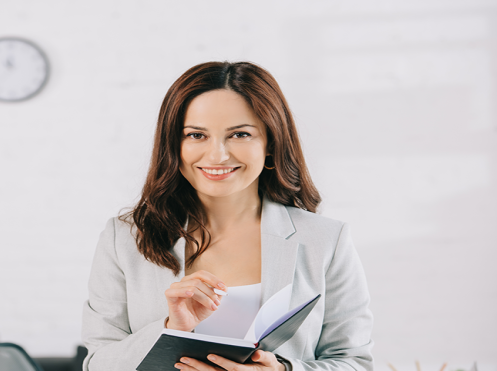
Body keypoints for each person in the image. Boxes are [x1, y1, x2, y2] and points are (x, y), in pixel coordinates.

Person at [82, 61, 374, 371]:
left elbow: (355, 363)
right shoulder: (125, 238)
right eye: (196, 135)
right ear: (173, 144)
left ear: (271, 143)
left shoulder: (326, 240)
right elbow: (98, 364)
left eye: (240, 134)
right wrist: (170, 328)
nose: (217, 155)